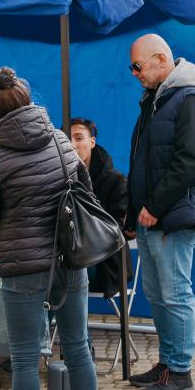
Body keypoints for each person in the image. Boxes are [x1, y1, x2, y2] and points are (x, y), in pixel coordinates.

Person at [0, 67, 99, 390]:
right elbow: (87, 196)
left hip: (23, 268)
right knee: (78, 349)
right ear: (28, 103)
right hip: (69, 261)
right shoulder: (62, 142)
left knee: (25, 359)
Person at [124, 33, 195, 390]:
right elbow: (146, 161)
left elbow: (188, 160)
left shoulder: (189, 98)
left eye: (138, 66)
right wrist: (137, 210)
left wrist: (155, 206)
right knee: (158, 293)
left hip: (173, 214)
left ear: (161, 60)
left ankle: (180, 372)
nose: (134, 73)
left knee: (175, 292)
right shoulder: (156, 99)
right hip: (155, 215)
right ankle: (167, 362)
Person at [70, 117, 130, 298]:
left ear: (92, 142)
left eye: (79, 138)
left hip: (104, 263)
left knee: (59, 275)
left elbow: (117, 230)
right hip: (69, 259)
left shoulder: (115, 180)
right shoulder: (57, 178)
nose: (72, 144)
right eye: (67, 139)